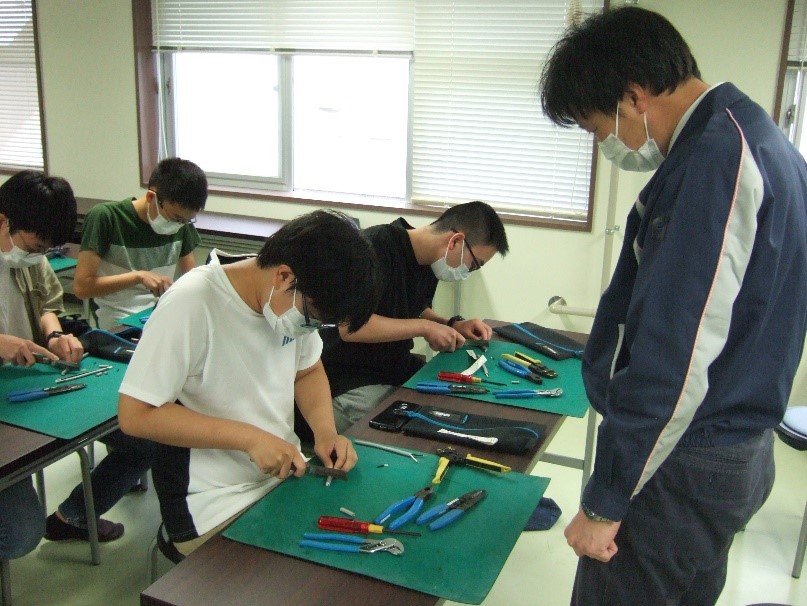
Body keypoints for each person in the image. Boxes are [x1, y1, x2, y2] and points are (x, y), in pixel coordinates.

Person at [538, 7, 807, 605]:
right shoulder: (765, 142)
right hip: (734, 448)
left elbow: (675, 355)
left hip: (682, 463)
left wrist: (606, 500)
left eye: (597, 128)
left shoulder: (715, 162)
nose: (605, 144)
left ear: (634, 97)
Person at [117, 210, 379, 555]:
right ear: (283, 276)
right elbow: (135, 415)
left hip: (281, 476)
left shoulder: (290, 300)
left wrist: (326, 432)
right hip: (209, 499)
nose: (311, 328)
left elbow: (308, 370)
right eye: (313, 318)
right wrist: (250, 439)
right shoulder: (192, 302)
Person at [0, 170, 151, 545]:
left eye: (45, 250)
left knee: (147, 439)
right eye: (34, 246)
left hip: (26, 382)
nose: (38, 256)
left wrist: (55, 334)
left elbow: (47, 303)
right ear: (2, 221)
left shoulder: (30, 258)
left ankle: (74, 516)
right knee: (18, 536)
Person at [319, 201, 509, 433]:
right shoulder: (375, 247)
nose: (468, 272)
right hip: (348, 376)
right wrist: (424, 327)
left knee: (455, 400)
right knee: (415, 430)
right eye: (474, 265)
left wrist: (452, 325)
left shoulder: (429, 261)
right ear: (455, 241)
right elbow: (351, 328)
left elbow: (414, 308)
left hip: (393, 366)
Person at [74, 157, 207, 330]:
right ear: (151, 197)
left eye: (186, 220)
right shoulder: (106, 217)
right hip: (118, 322)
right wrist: (138, 277)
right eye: (175, 218)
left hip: (162, 314)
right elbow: (82, 288)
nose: (179, 224)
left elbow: (191, 278)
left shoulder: (181, 224)